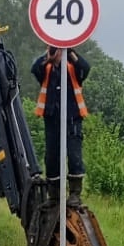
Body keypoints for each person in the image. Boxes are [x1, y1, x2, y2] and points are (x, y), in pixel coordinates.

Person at [31, 44, 91, 206]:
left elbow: (85, 68)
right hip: (52, 118)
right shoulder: (46, 68)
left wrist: (69, 51)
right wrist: (48, 56)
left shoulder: (73, 68)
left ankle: (75, 194)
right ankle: (54, 196)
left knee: (74, 156)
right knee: (51, 157)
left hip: (72, 118)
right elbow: (35, 69)